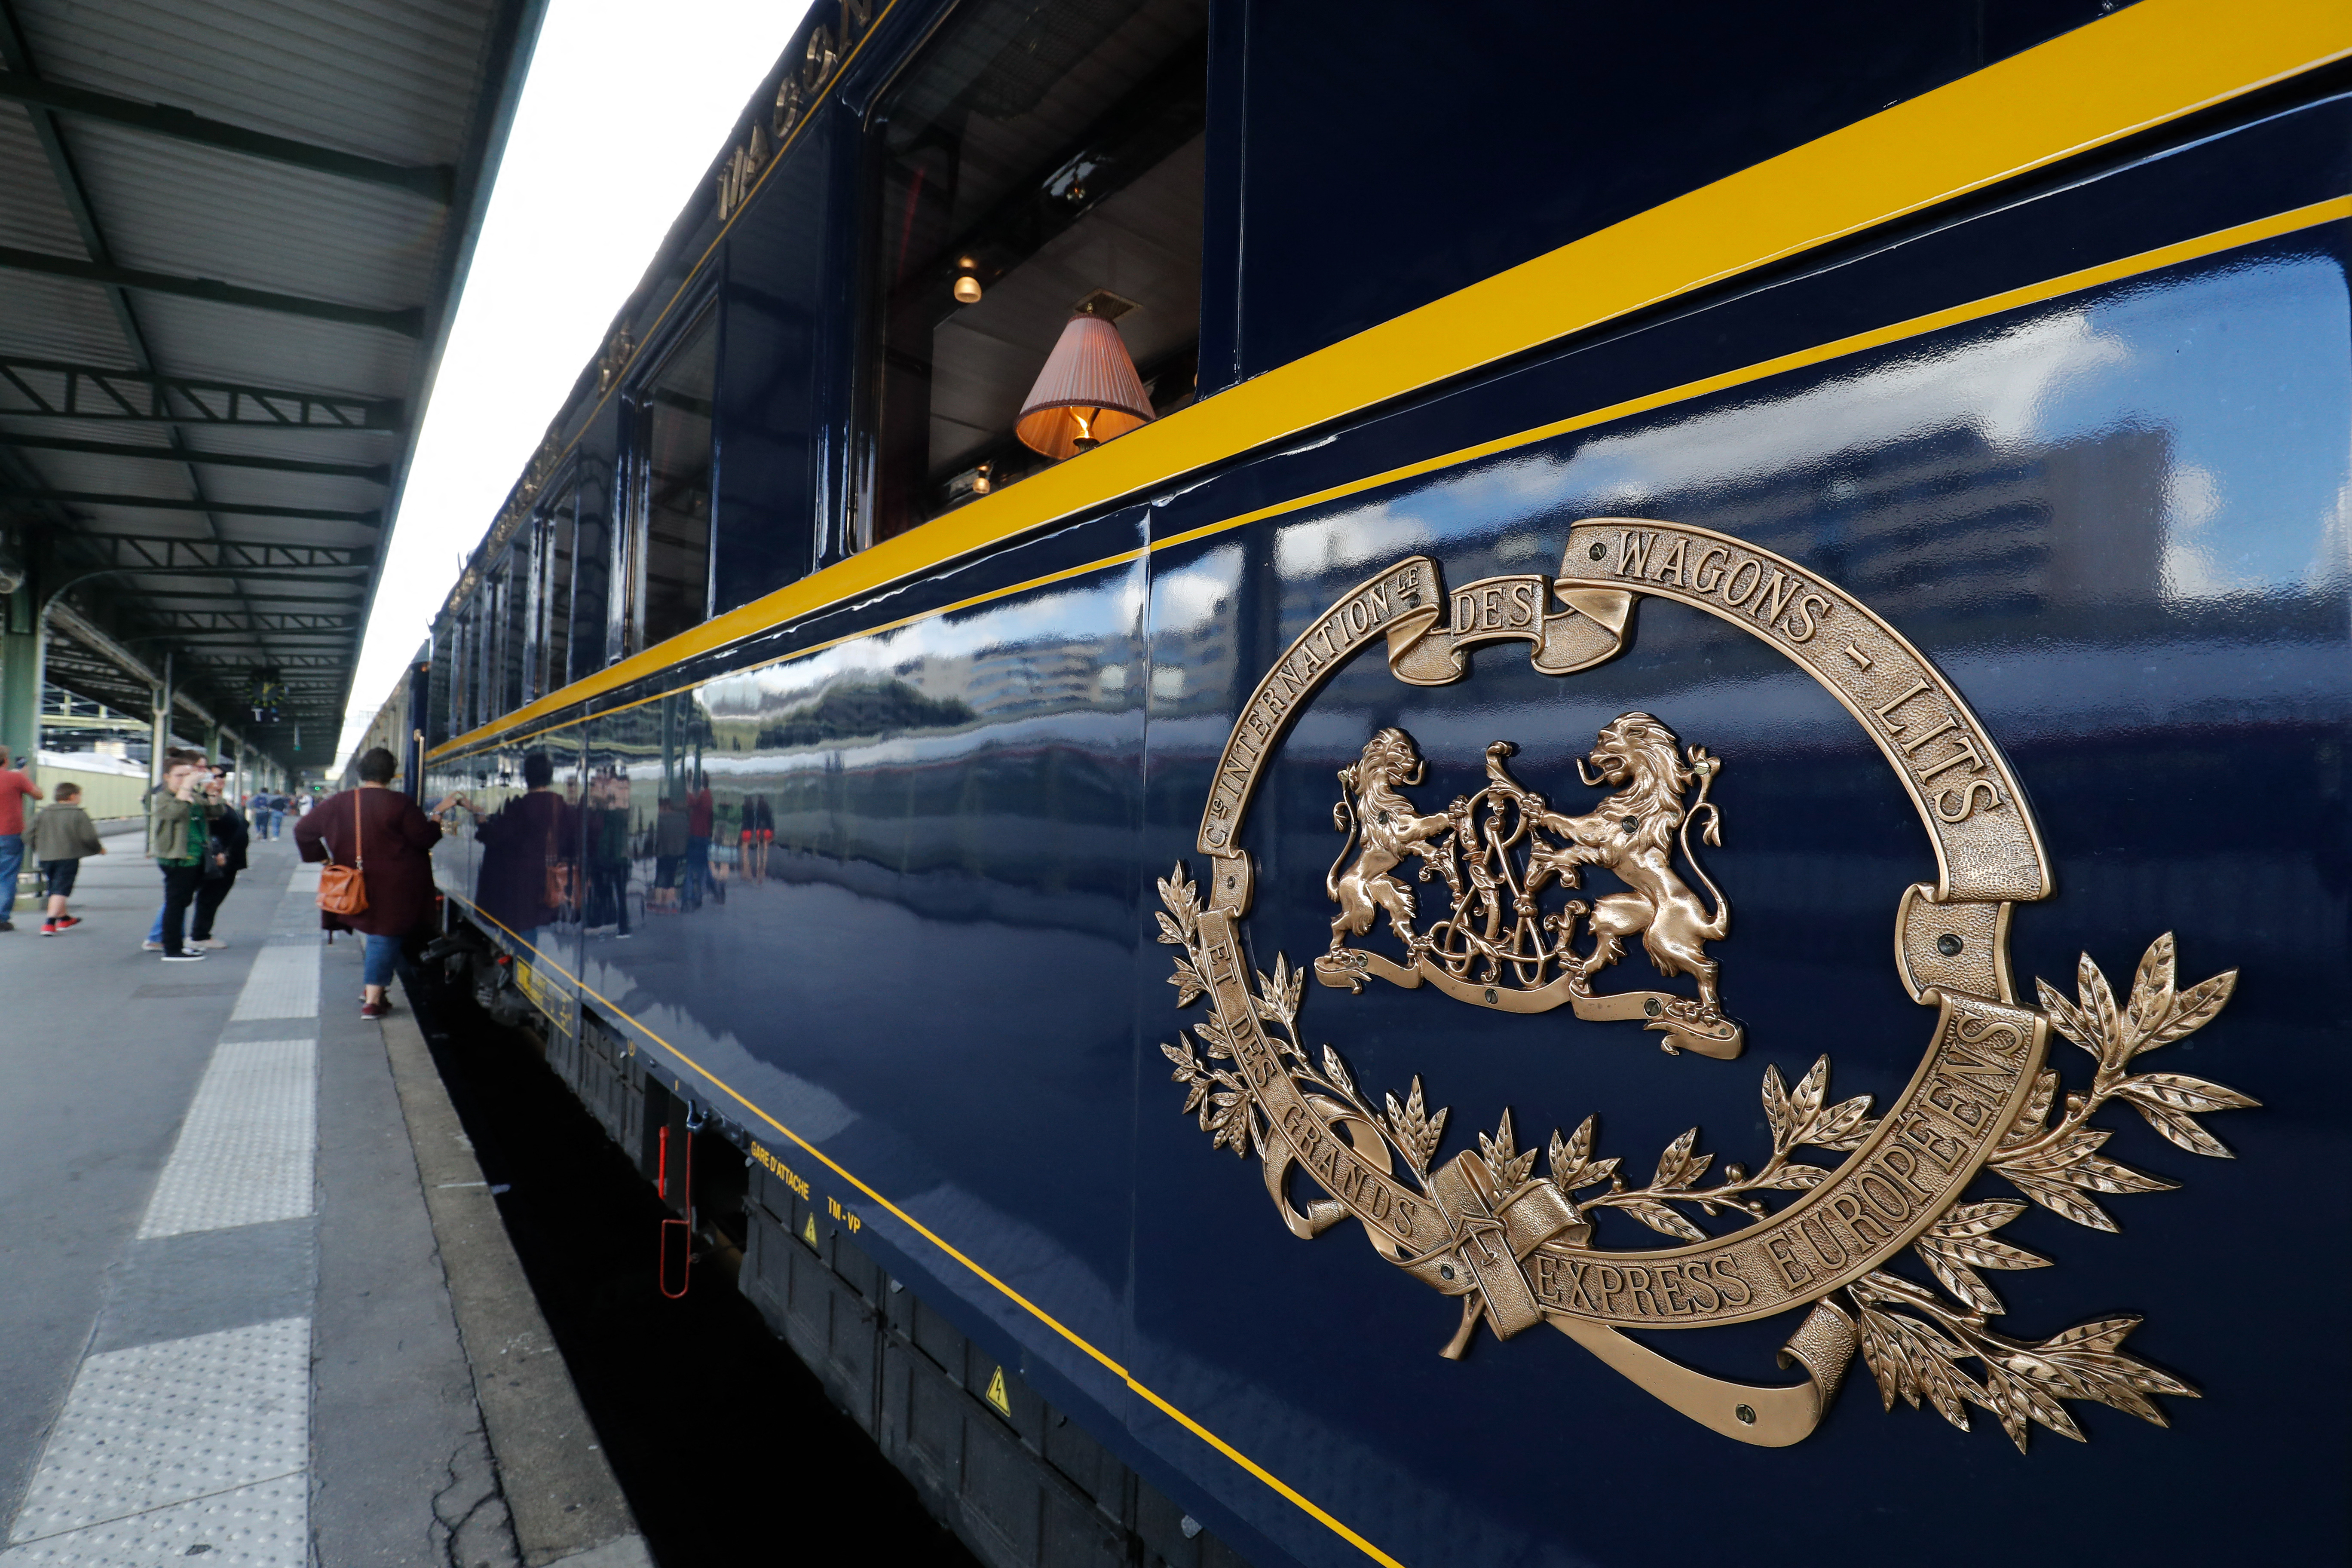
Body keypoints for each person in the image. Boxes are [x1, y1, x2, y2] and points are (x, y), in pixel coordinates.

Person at [295, 747, 444, 1019]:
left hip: (355, 880)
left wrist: (324, 860)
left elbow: (303, 830)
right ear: (391, 774)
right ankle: (373, 1000)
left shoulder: (339, 802)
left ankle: (374, 992)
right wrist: (436, 819)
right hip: (395, 884)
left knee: (379, 936)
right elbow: (424, 839)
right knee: (384, 936)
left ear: (361, 773)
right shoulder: (401, 803)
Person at [472, 750, 573, 953]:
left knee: (523, 925)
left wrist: (482, 822)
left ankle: (522, 967)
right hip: (550, 877)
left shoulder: (520, 807)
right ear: (550, 776)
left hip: (522, 883)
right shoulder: (560, 805)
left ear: (527, 778)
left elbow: (496, 838)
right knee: (534, 923)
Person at [150, 754, 224, 962]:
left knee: (182, 902)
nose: (184, 780)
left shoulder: (194, 796)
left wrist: (213, 794)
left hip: (196, 857)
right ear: (167, 777)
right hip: (177, 858)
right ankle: (172, 949)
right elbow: (174, 813)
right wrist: (187, 787)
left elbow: (216, 812)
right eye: (179, 776)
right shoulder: (163, 797)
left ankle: (178, 944)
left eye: (187, 775)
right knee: (175, 903)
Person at [31, 781, 102, 934]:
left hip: (46, 857)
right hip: (68, 856)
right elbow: (89, 837)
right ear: (72, 796)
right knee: (61, 888)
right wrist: (98, 849)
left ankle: (64, 918)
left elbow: (27, 834)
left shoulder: (43, 813)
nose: (80, 799)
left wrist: (38, 847)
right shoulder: (78, 814)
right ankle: (49, 923)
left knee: (55, 885)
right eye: (79, 795)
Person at [187, 787, 250, 950]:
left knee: (213, 896)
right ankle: (199, 935)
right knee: (207, 896)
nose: (218, 780)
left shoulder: (219, 801)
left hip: (231, 858)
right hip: (218, 858)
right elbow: (207, 828)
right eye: (214, 775)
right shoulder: (199, 800)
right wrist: (217, 851)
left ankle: (199, 934)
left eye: (222, 776)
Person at [0, 743, 44, 934]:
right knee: (7, 876)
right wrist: (25, 778)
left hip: (10, 833)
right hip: (10, 834)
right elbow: (39, 795)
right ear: (6, 761)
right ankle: (1, 919)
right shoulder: (15, 778)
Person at [684, 770, 714, 910]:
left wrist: (688, 786)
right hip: (705, 836)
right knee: (703, 867)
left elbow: (690, 802)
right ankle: (707, 891)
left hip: (696, 835)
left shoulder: (703, 797)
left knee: (690, 868)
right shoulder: (709, 796)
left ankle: (691, 897)